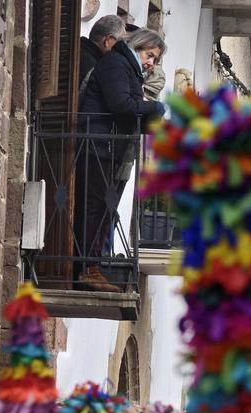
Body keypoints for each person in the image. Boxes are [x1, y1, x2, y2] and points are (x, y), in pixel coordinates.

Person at [74, 27, 166, 291]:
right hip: (98, 146)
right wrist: (156, 107)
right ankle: (87, 269)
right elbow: (121, 105)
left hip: (107, 148)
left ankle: (92, 267)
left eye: (155, 59)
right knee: (95, 209)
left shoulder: (128, 68)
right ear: (138, 46)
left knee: (103, 209)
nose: (151, 63)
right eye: (150, 55)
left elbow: (128, 110)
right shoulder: (116, 64)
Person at [79, 15, 127, 89]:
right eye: (121, 43)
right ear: (108, 40)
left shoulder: (76, 47)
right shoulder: (96, 68)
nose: (122, 48)